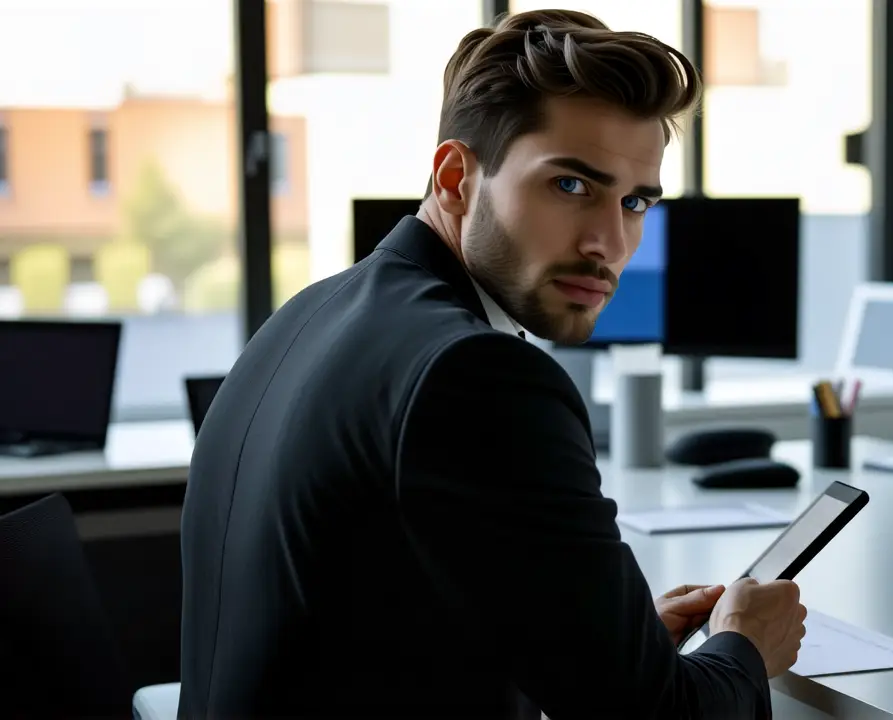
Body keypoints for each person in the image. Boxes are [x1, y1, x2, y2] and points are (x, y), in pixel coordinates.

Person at [177, 9, 806, 719]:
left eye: (634, 202)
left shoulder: (308, 314)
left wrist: (603, 641)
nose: (609, 242)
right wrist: (746, 646)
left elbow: (376, 626)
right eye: (571, 186)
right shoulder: (479, 377)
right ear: (455, 178)